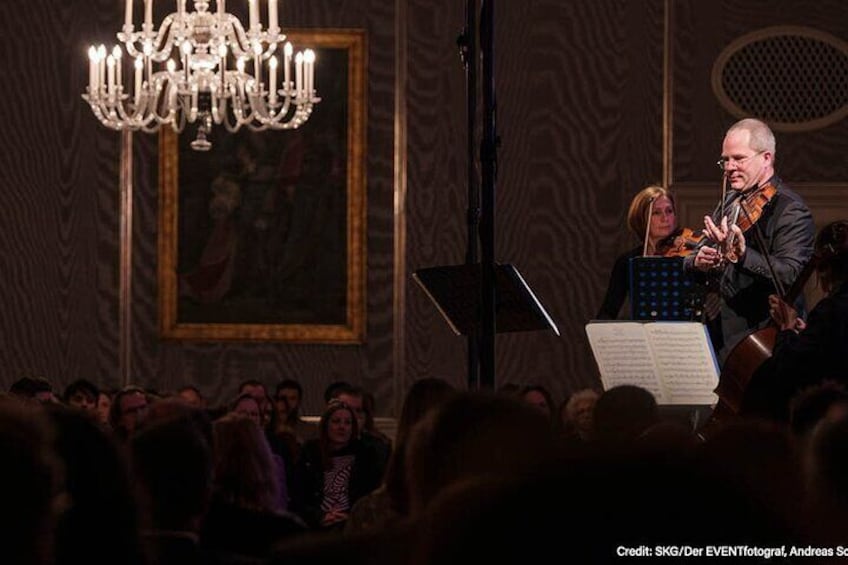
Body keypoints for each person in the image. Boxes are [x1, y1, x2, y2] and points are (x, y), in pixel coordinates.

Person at [686, 118, 815, 362]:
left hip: (763, 342)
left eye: (738, 158)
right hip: (720, 337)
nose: (729, 167)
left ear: (766, 158)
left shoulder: (791, 210)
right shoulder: (730, 201)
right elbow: (693, 256)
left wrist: (744, 256)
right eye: (725, 160)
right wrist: (698, 262)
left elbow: (792, 274)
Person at [741, 220, 848, 422]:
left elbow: (789, 371)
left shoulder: (830, 310)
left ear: (825, 270)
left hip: (830, 424)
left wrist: (787, 328)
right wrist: (808, 330)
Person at [596, 185, 678, 319]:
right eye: (656, 213)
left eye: (669, 211)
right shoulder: (628, 262)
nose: (665, 218)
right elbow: (609, 310)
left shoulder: (687, 258)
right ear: (642, 218)